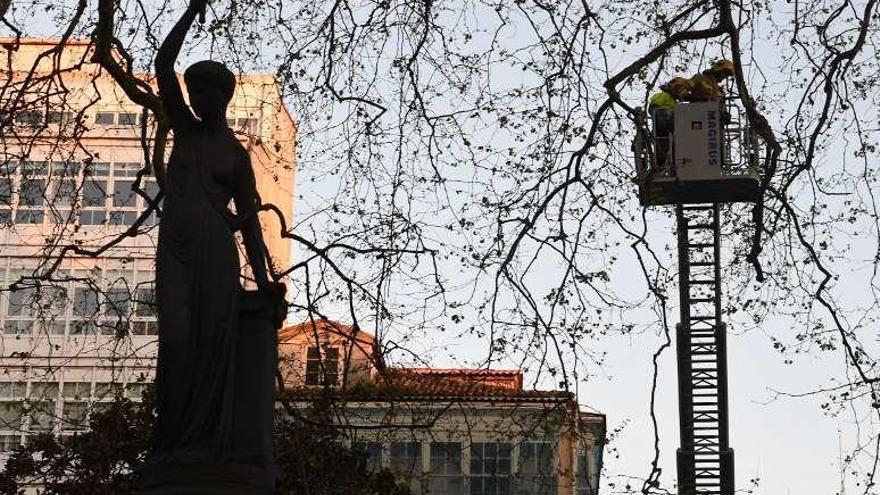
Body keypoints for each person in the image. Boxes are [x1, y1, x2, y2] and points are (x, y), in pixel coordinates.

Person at [148, 0, 276, 466]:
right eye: (193, 91)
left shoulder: (236, 156)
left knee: (211, 348)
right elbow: (163, 64)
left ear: (223, 96)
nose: (197, 99)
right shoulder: (184, 129)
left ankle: (203, 444)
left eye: (204, 92)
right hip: (178, 252)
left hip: (218, 256)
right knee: (177, 340)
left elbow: (251, 224)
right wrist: (191, 10)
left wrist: (263, 283)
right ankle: (173, 441)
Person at [648, 77, 692, 171]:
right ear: (676, 88)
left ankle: (666, 166)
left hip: (669, 129)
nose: (682, 93)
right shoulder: (663, 95)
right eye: (681, 90)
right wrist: (665, 111)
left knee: (667, 150)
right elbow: (653, 108)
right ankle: (660, 167)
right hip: (662, 124)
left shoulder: (673, 101)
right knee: (662, 149)